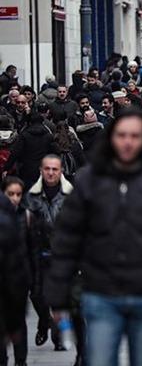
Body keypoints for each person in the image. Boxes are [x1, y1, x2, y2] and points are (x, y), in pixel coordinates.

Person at [44, 108, 142, 366]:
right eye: (121, 135)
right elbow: (68, 235)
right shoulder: (90, 179)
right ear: (111, 138)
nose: (128, 141)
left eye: (135, 135)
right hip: (101, 292)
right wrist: (58, 289)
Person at [26, 155, 86, 360]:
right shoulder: (32, 197)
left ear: (61, 171)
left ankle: (78, 352)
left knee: (71, 305)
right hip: (40, 255)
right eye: (47, 169)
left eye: (55, 169)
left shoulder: (71, 196)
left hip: (66, 257)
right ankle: (45, 321)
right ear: (41, 171)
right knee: (37, 296)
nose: (51, 173)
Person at [0, 177, 28, 366]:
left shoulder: (27, 216)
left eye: (18, 194)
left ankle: (20, 360)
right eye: (11, 194)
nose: (15, 198)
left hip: (15, 280)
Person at [6, 110, 57, 188]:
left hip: (26, 169)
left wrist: (7, 168)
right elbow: (55, 151)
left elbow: (15, 152)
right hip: (43, 168)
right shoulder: (48, 136)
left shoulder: (24, 135)